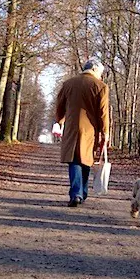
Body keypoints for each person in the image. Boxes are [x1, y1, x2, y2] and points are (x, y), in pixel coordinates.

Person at [55, 57, 109, 207]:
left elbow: (60, 106)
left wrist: (59, 121)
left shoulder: (68, 84)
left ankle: (77, 193)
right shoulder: (101, 87)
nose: (100, 76)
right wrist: (105, 132)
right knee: (86, 159)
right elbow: (103, 113)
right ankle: (81, 193)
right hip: (90, 129)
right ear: (94, 70)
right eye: (100, 72)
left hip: (71, 127)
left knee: (74, 160)